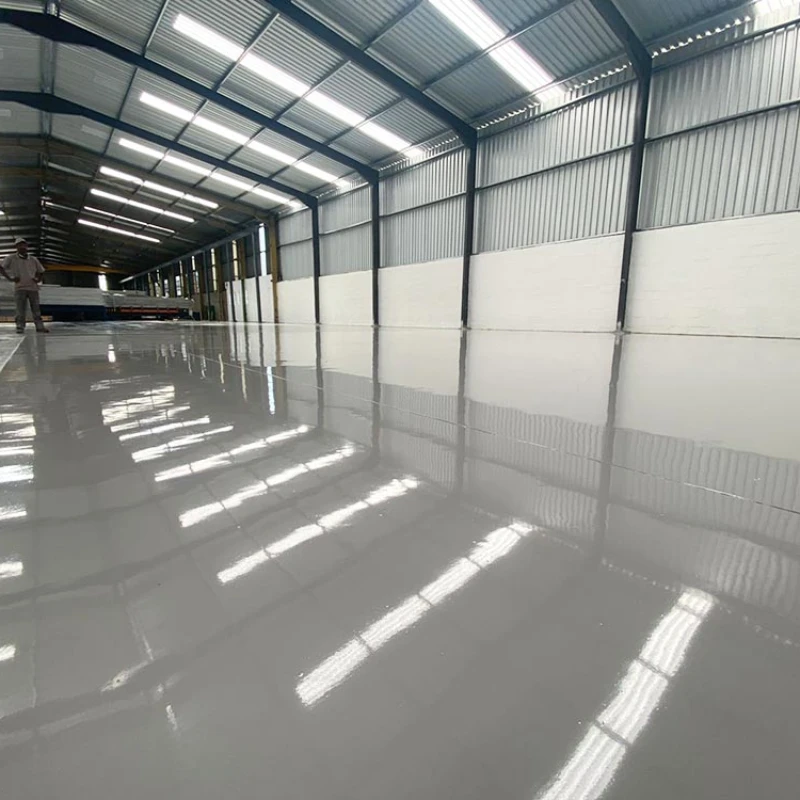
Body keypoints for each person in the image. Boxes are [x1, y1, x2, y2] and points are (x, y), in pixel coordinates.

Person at [0, 237, 49, 334]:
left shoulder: (33, 259)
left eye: (23, 245)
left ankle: (39, 327)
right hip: (20, 287)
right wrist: (10, 278)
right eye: (19, 245)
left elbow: (41, 271)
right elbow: (1, 267)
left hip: (33, 287)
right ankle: (20, 327)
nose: (22, 247)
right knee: (20, 309)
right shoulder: (11, 258)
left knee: (36, 309)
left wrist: (38, 279)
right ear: (16, 247)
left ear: (27, 246)